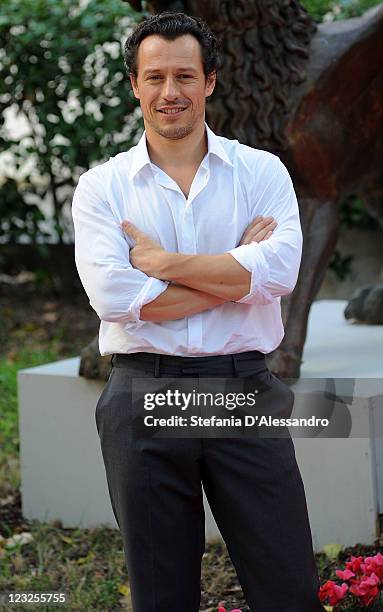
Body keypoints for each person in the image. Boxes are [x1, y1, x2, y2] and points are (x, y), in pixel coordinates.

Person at [71, 11, 325, 612]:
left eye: (184, 75)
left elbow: (281, 273)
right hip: (143, 397)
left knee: (288, 585)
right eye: (154, 77)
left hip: (242, 391)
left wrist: (161, 263)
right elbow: (116, 300)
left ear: (210, 81)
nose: (169, 93)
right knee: (161, 597)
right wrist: (237, 272)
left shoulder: (261, 172)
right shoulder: (103, 189)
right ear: (134, 85)